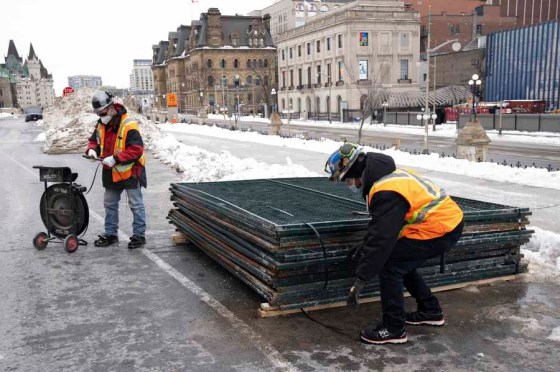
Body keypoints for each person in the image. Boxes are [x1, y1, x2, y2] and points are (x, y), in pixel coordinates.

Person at [325, 143, 464, 345]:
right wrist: (366, 242)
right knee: (400, 262)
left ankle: (393, 328)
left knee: (390, 265)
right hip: (443, 223)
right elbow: (385, 226)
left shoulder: (386, 191)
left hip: (440, 228)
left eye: (348, 180)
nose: (351, 185)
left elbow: (383, 239)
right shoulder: (385, 176)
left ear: (355, 171)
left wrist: (362, 277)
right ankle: (430, 311)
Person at [85, 91, 147, 249]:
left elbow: (136, 149)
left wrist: (115, 158)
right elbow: (94, 141)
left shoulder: (128, 124)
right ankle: (111, 234)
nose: (101, 116)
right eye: (98, 113)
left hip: (131, 171)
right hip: (111, 172)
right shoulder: (101, 124)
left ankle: (139, 236)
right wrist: (92, 150)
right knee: (110, 204)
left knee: (136, 204)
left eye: (103, 112)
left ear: (111, 108)